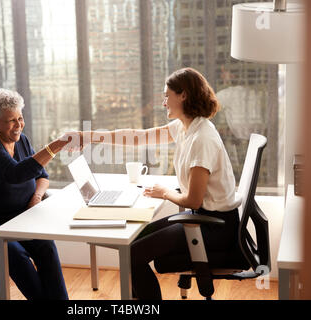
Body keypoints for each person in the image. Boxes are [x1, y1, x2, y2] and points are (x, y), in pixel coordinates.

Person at [77, 67, 244, 299]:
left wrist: (165, 192)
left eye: (167, 95)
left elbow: (193, 199)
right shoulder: (187, 127)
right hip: (201, 218)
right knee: (133, 240)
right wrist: (90, 136)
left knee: (131, 254)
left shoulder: (202, 138)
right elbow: (139, 136)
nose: (164, 102)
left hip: (214, 227)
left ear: (183, 95)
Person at [0, 88, 76, 300]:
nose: (18, 125)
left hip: (18, 217)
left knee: (46, 246)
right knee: (15, 254)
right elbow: (15, 174)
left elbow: (42, 176)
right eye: (10, 121)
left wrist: (36, 198)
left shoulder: (22, 140)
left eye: (20, 118)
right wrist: (56, 146)